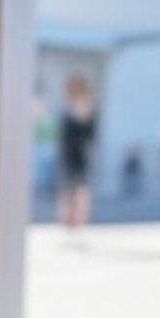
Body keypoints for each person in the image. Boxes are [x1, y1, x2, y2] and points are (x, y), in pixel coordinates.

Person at [57, 74, 97, 231]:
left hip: (82, 154)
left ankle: (78, 219)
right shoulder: (67, 107)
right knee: (67, 187)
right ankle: (67, 218)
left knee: (80, 188)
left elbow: (91, 133)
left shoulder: (88, 108)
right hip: (67, 153)